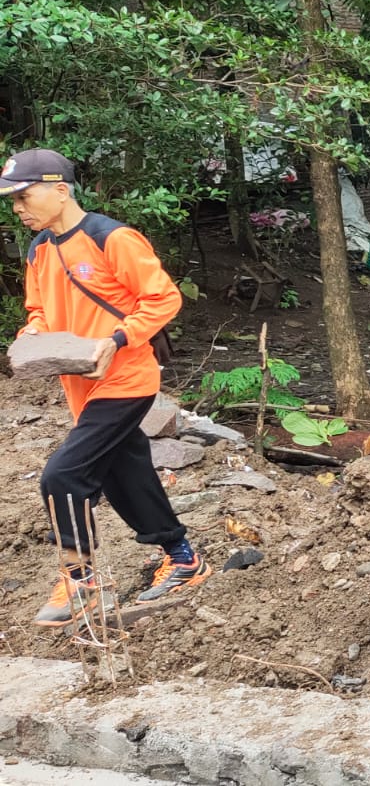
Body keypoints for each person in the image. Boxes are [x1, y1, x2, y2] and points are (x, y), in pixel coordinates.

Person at [3, 148, 207, 628]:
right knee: (125, 474)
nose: (17, 208)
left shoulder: (110, 237)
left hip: (127, 378)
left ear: (59, 190)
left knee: (61, 478)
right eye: (12, 201)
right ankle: (182, 559)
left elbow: (163, 298)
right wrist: (33, 332)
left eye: (23, 196)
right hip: (81, 387)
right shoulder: (38, 250)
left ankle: (80, 580)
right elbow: (40, 311)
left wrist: (117, 339)